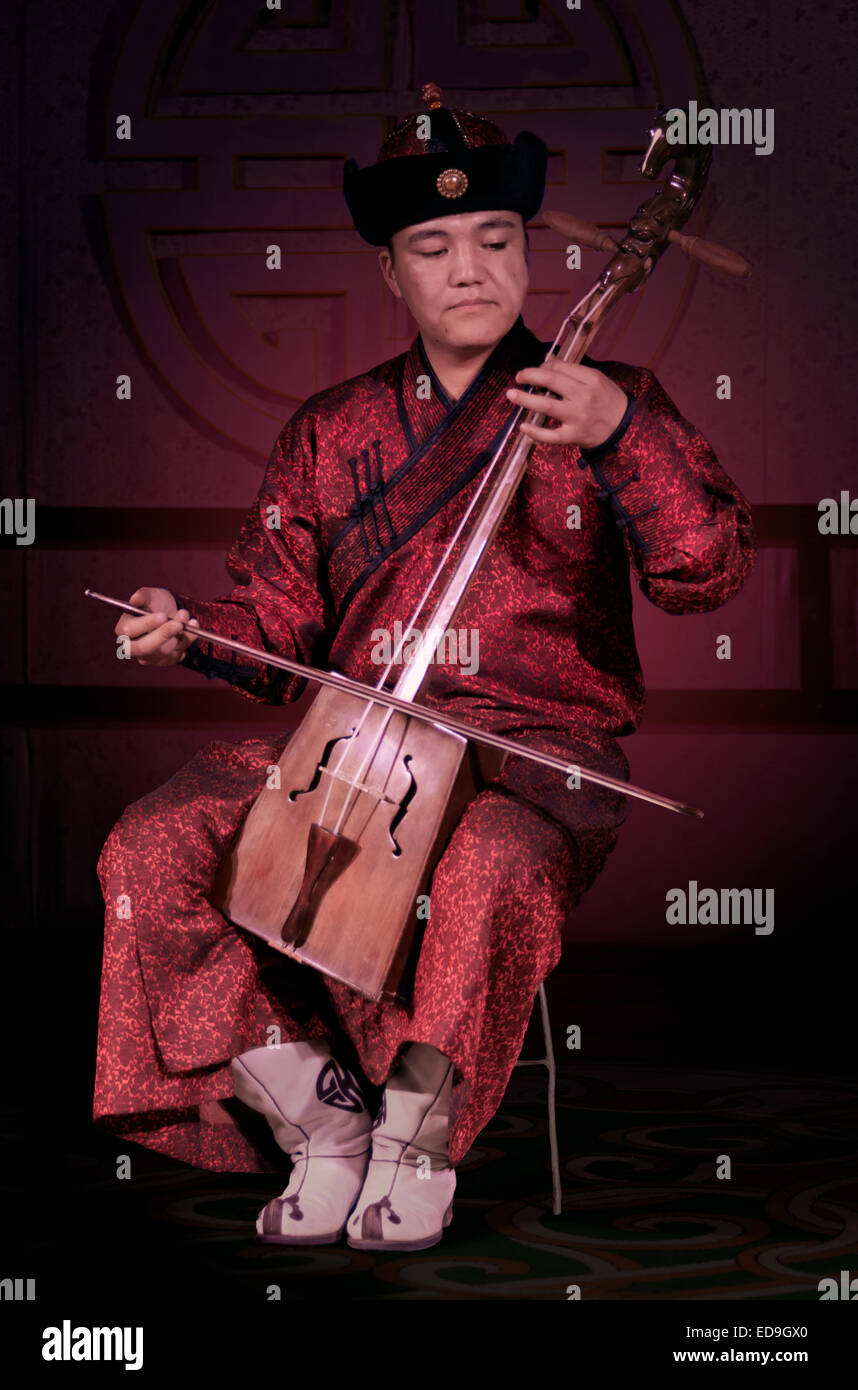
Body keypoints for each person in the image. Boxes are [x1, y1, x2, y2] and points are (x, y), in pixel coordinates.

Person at [93, 84, 755, 1253]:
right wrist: (185, 622)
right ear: (391, 274)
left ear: (527, 255)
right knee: (155, 840)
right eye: (431, 246)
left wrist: (612, 430)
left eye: (495, 240)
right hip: (351, 739)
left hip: (534, 751)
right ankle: (320, 1114)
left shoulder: (608, 401)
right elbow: (277, 623)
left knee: (490, 858)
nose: (467, 268)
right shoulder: (329, 429)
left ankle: (417, 1128)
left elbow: (703, 573)